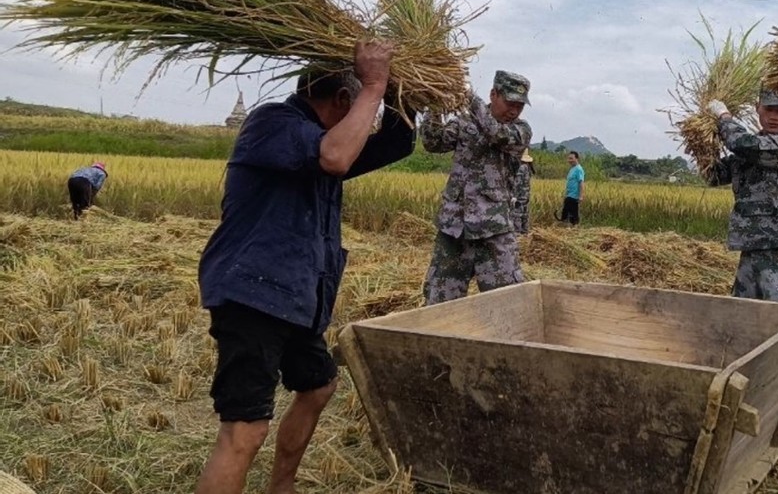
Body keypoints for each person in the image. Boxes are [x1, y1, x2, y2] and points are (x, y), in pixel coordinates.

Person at [194, 38, 418, 494]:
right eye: (358, 106)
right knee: (245, 430)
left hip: (296, 296)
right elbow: (335, 156)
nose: (364, 118)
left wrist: (402, 89)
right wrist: (374, 84)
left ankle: (282, 487)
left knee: (317, 387)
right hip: (252, 293)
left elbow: (396, 144)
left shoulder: (322, 139)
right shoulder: (273, 122)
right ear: (341, 100)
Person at [421, 70, 533, 305]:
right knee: (438, 305)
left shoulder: (519, 130)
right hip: (454, 231)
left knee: (508, 305)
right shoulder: (465, 123)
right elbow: (433, 143)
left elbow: (495, 133)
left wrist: (469, 98)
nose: (514, 110)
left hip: (494, 233)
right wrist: (434, 105)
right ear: (493, 94)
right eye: (509, 102)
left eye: (519, 106)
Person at [704, 87, 778, 304]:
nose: (774, 116)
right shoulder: (748, 151)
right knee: (743, 315)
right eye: (769, 109)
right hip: (751, 249)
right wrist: (703, 142)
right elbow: (713, 176)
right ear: (757, 109)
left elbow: (743, 144)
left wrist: (723, 117)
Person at [512, 148, 535, 235]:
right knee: (525, 215)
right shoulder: (528, 167)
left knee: (517, 215)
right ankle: (525, 233)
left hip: (520, 196)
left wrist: (514, 195)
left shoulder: (521, 167)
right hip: (526, 195)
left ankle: (518, 234)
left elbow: (518, 183)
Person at [558, 151, 585, 225]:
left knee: (573, 216)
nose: (569, 160)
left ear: (577, 159)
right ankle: (565, 230)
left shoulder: (579, 169)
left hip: (574, 196)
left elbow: (581, 182)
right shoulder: (572, 169)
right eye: (569, 158)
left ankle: (575, 230)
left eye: (571, 158)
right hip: (569, 195)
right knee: (565, 215)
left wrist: (581, 196)